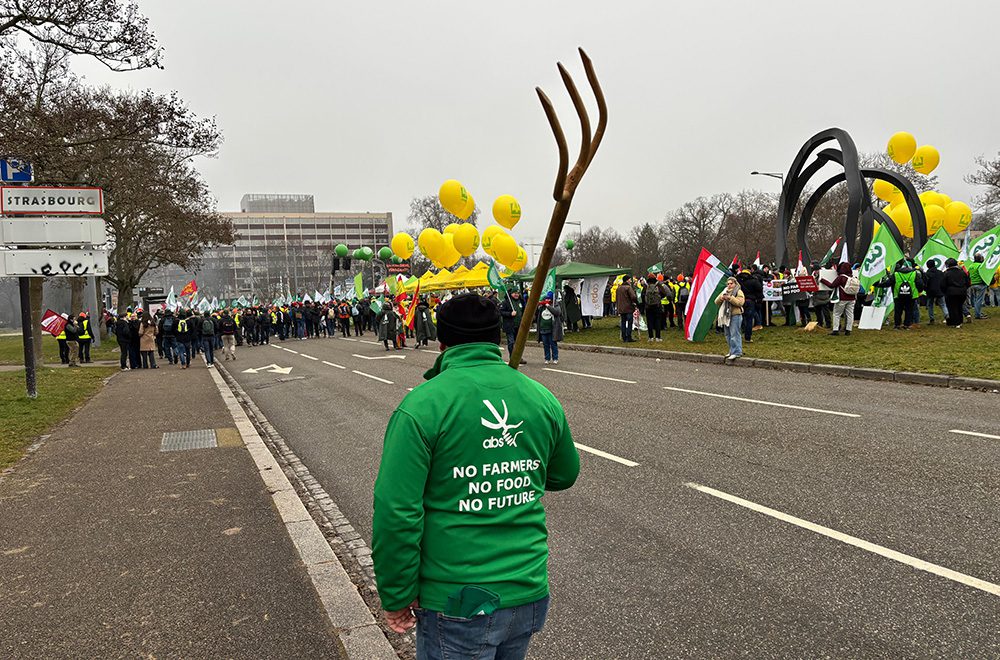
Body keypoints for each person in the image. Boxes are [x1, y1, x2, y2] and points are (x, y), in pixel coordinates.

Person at [371, 293, 579, 660]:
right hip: (527, 590)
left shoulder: (422, 406)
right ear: (497, 337)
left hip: (457, 599)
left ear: (442, 343)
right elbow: (563, 474)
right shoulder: (539, 397)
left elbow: (396, 512)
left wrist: (397, 594)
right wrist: (515, 466)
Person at [876, 258, 922, 330]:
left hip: (898, 295)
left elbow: (888, 283)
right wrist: (920, 290)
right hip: (911, 296)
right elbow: (920, 284)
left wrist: (878, 284)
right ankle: (907, 325)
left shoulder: (896, 274)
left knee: (898, 311)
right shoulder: (915, 273)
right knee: (909, 310)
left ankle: (897, 325)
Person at [822, 262, 857, 335]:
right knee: (850, 314)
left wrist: (822, 280)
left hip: (842, 298)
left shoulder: (841, 277)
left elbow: (832, 285)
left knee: (837, 314)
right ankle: (848, 330)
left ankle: (835, 330)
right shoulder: (852, 277)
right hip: (852, 298)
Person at [715, 276, 745, 362]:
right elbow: (716, 301)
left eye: (731, 283)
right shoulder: (724, 291)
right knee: (727, 334)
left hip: (735, 315)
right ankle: (731, 351)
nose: (729, 285)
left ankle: (737, 352)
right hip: (726, 316)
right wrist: (722, 298)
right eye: (728, 284)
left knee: (734, 334)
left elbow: (740, 303)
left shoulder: (738, 291)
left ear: (735, 284)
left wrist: (730, 298)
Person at [535, 291, 563, 364]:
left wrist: (548, 305)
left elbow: (557, 313)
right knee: (545, 345)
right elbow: (536, 314)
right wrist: (539, 306)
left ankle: (555, 358)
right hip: (543, 329)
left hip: (552, 329)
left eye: (549, 299)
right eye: (546, 299)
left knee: (553, 344)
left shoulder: (555, 305)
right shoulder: (542, 307)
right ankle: (547, 358)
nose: (547, 300)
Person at [943, 257, 971, 328]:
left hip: (950, 292)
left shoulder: (946, 273)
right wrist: (964, 288)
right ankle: (960, 321)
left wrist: (945, 291)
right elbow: (968, 282)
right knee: (959, 306)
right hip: (962, 292)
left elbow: (943, 284)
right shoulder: (962, 272)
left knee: (952, 308)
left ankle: (955, 322)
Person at [498, 290, 525, 362]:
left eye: (518, 293)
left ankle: (519, 357)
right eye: (515, 293)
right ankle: (512, 357)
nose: (517, 295)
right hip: (510, 326)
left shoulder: (521, 301)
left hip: (519, 326)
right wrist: (510, 314)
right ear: (511, 294)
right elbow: (500, 312)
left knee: (518, 343)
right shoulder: (506, 302)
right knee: (511, 342)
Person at [923, 259, 948, 324]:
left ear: (928, 266)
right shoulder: (940, 273)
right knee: (943, 304)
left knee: (930, 305)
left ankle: (932, 319)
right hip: (940, 291)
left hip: (930, 291)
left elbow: (925, 283)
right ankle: (947, 315)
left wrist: (925, 289)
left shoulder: (927, 274)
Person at [642, 275, 666, 342]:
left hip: (648, 307)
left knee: (649, 321)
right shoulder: (658, 285)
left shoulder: (646, 286)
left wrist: (646, 303)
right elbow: (664, 293)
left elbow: (642, 295)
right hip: (657, 306)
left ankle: (650, 337)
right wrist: (659, 298)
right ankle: (658, 337)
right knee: (657, 321)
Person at [616, 275, 638, 342]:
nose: (630, 281)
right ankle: (629, 337)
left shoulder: (618, 288)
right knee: (629, 322)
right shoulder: (628, 287)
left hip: (621, 308)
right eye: (629, 279)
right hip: (628, 308)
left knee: (623, 323)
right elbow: (633, 297)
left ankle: (624, 337)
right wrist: (636, 302)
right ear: (627, 280)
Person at [967, 253, 988, 320]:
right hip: (980, 284)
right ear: (980, 258)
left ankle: (978, 313)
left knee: (976, 299)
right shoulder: (980, 266)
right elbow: (983, 275)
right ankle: (977, 314)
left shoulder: (971, 266)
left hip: (972, 284)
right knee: (979, 300)